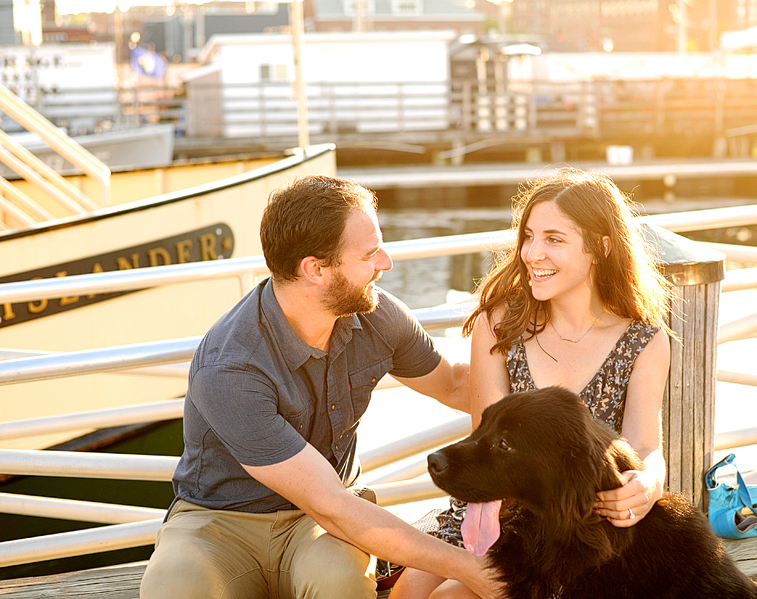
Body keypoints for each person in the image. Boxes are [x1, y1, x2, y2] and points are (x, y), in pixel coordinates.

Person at [140, 175, 504, 599]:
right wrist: (475, 570)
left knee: (341, 583)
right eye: (369, 254)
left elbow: (459, 384)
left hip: (314, 525)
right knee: (174, 588)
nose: (386, 262)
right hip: (220, 523)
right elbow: (334, 507)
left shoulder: (378, 315)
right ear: (315, 269)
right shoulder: (229, 367)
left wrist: (574, 408)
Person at [390, 169, 671, 599]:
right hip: (491, 509)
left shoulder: (644, 339)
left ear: (601, 247)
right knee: (408, 592)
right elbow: (484, 445)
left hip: (575, 530)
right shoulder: (500, 324)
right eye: (529, 236)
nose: (532, 253)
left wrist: (648, 485)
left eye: (554, 239)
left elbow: (644, 447)